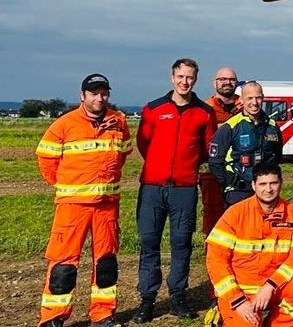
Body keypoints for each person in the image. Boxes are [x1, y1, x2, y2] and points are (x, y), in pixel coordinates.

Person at [36, 74, 132, 327]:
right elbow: (47, 161)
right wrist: (69, 185)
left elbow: (123, 154)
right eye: (94, 93)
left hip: (106, 205)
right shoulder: (64, 124)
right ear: (83, 96)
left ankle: (103, 313)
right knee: (63, 265)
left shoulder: (119, 122)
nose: (99, 98)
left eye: (104, 93)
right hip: (73, 206)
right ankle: (53, 317)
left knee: (106, 263)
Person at [134, 58, 216, 322]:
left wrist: (185, 167)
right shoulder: (153, 109)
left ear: (196, 80)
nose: (185, 82)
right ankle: (147, 299)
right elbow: (144, 143)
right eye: (180, 76)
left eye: (190, 77)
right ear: (172, 77)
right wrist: (159, 166)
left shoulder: (204, 113)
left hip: (184, 188)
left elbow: (206, 149)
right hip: (153, 188)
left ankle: (178, 296)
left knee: (181, 244)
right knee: (149, 244)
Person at [205, 163, 293, 326]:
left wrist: (271, 285)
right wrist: (237, 300)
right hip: (242, 293)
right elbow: (215, 260)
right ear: (254, 185)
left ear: (281, 183)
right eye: (262, 184)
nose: (268, 189)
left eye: (273, 183)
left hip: (277, 287)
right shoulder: (235, 214)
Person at [208, 81, 283, 207]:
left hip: (266, 191)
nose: (254, 102)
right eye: (249, 98)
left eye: (258, 98)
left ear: (263, 98)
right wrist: (228, 182)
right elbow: (215, 161)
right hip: (238, 192)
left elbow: (277, 157)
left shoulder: (272, 126)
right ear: (242, 99)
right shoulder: (230, 127)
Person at [201, 66, 239, 236]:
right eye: (222, 79)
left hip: (240, 171)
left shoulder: (244, 105)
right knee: (213, 213)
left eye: (231, 79)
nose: (227, 82)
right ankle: (213, 251)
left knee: (240, 213)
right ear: (214, 83)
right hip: (212, 172)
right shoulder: (205, 109)